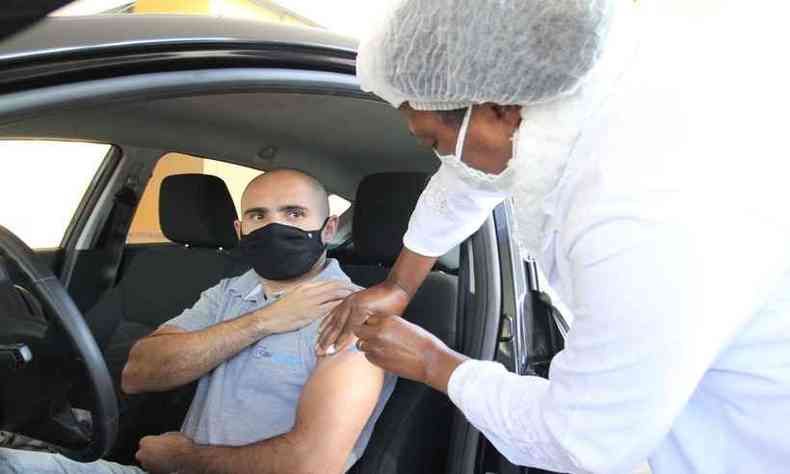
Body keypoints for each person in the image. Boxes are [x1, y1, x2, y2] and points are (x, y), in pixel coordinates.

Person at [317, 1, 790, 473]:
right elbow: (466, 180)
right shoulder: (563, 115)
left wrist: (430, 361)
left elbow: (583, 439)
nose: (444, 158)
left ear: (499, 108)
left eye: (432, 141)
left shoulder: (638, 207)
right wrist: (399, 285)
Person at [0, 169, 396, 474]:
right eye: (259, 215)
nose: (276, 227)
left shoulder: (357, 316)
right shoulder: (231, 293)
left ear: (327, 229)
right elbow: (139, 373)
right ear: (241, 231)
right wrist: (264, 321)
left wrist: (186, 459)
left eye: (294, 213)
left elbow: (311, 464)